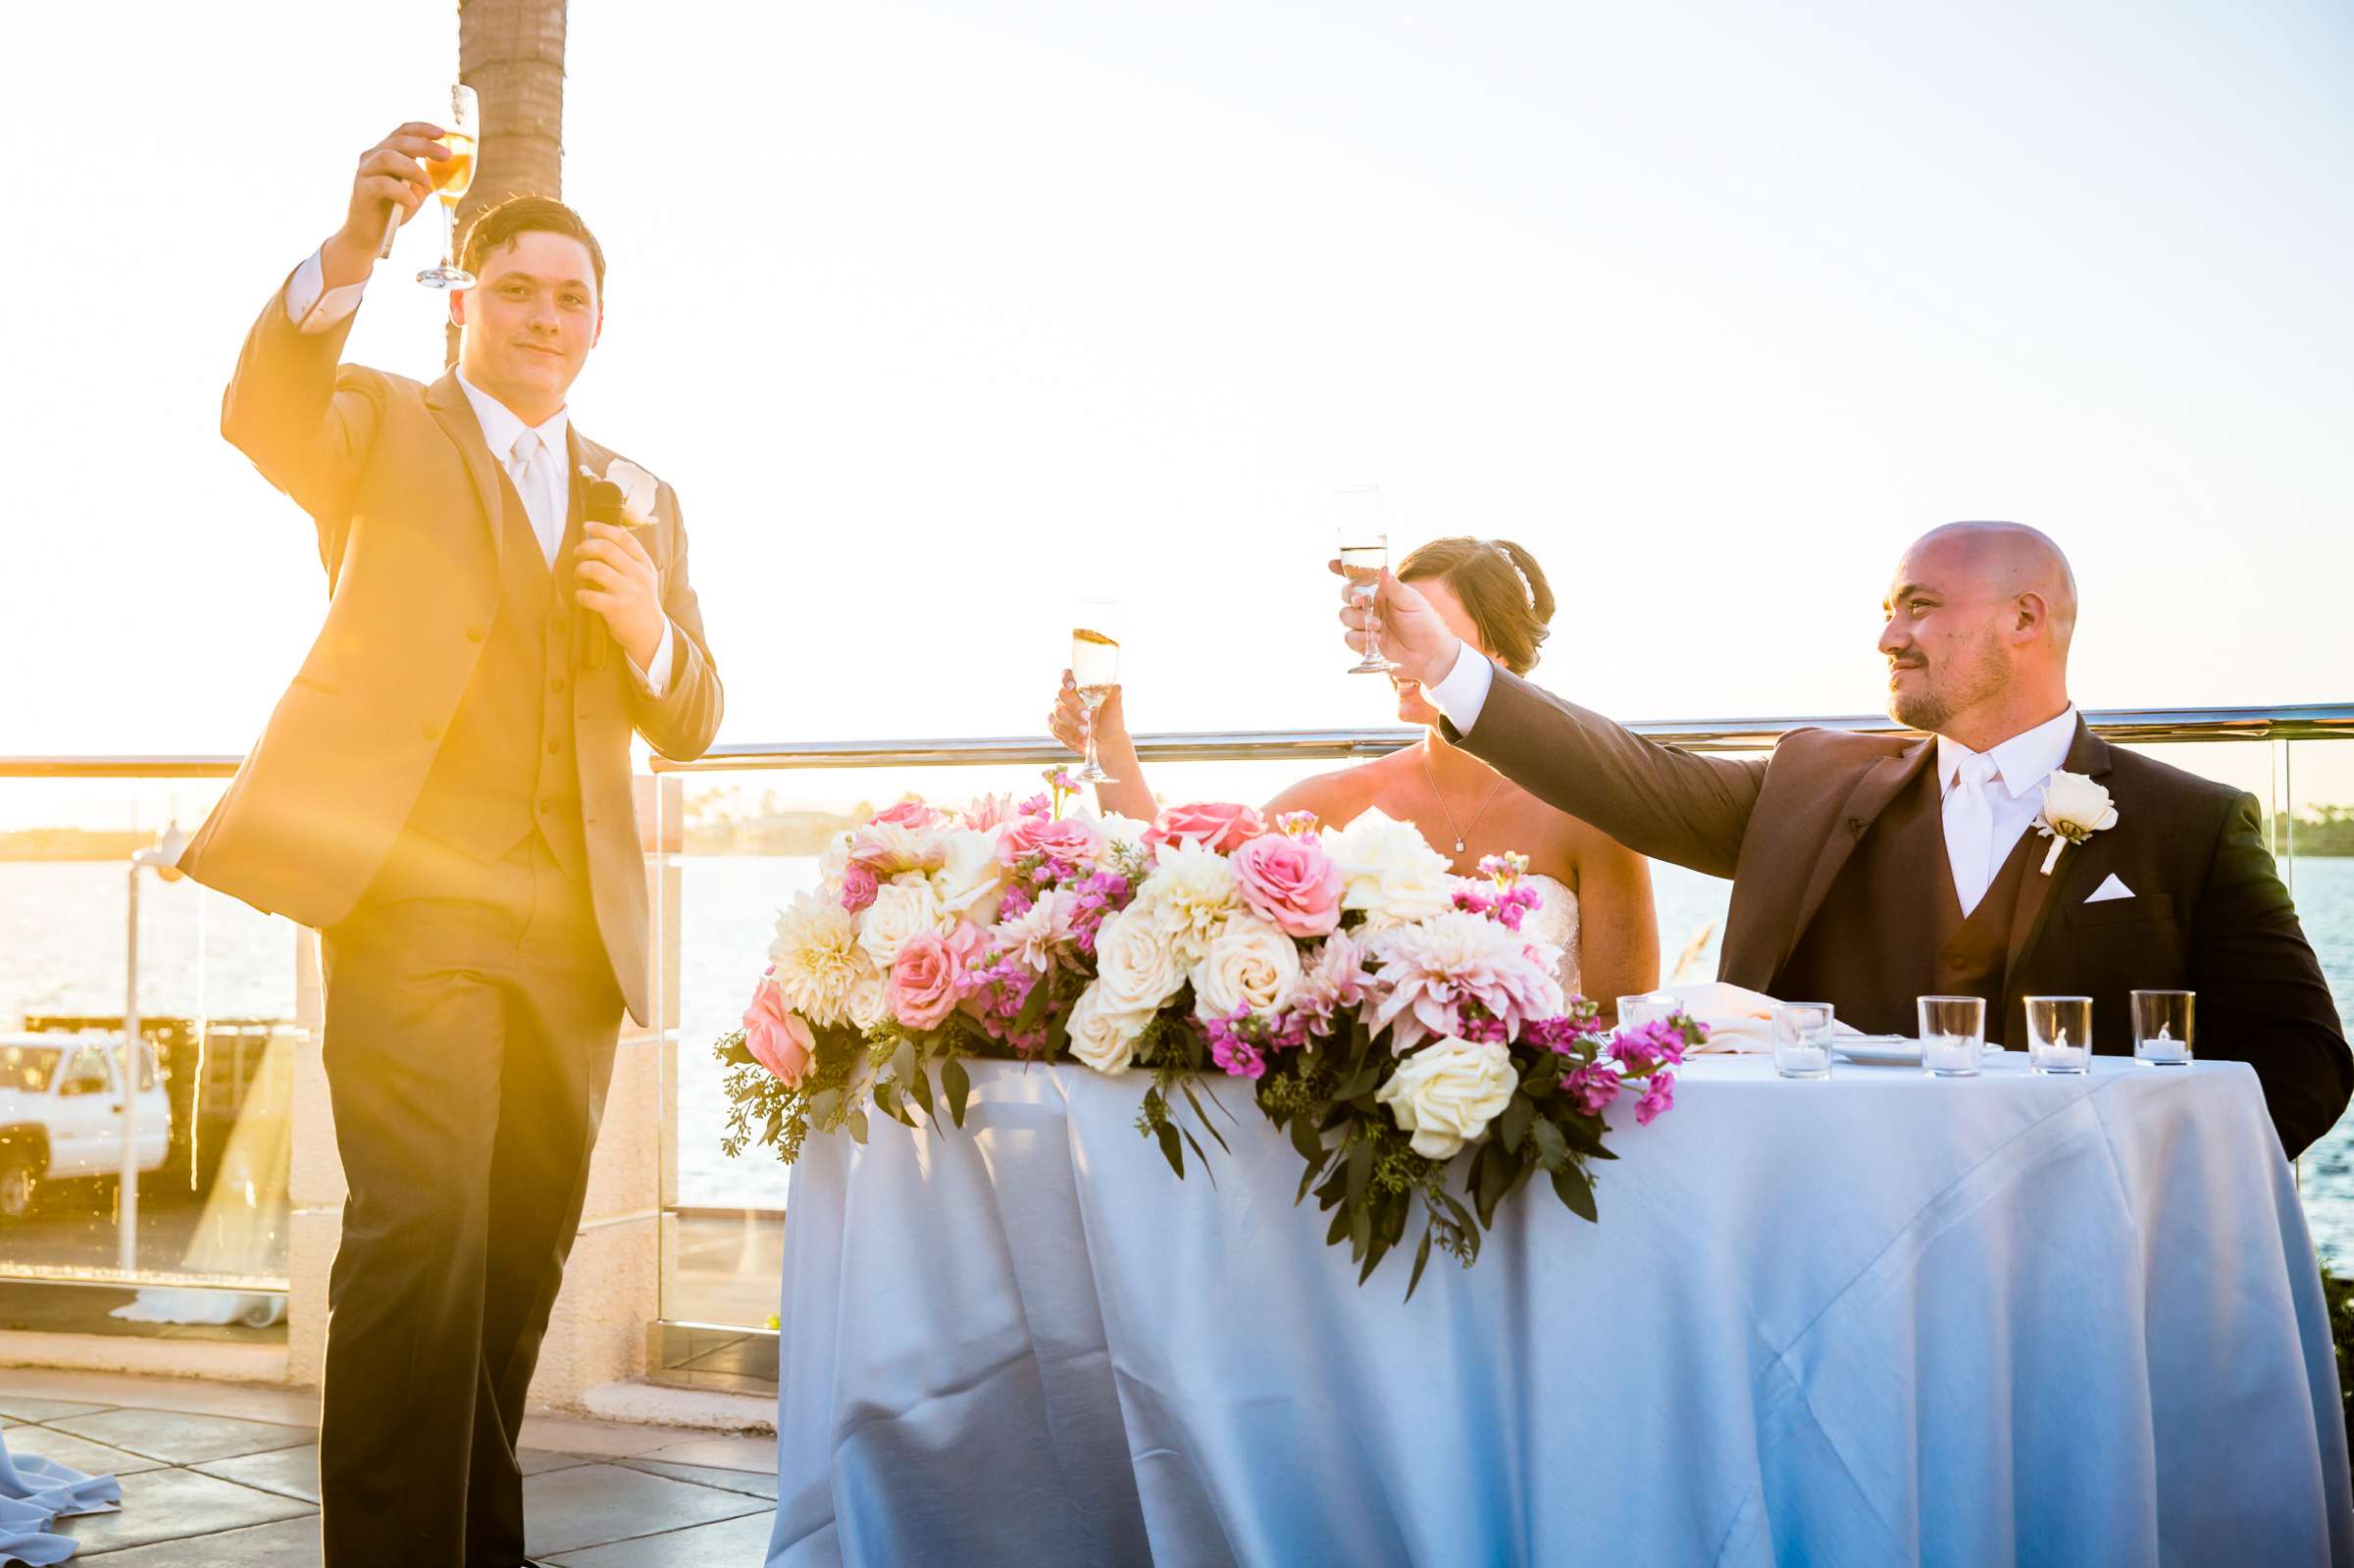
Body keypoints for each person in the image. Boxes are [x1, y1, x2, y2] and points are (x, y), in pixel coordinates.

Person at [179, 122, 723, 1567]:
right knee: (420, 1249)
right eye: (519, 289)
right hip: (412, 912)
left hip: (574, 937)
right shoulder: (377, 424)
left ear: (598, 323)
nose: (548, 317)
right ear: (460, 300)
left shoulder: (644, 493)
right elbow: (263, 405)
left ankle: (482, 1544)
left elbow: (700, 711)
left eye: (573, 298)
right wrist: (356, 235)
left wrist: (645, 626)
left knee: (513, 1267)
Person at [1343, 521, 2350, 1155]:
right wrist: (1449, 669)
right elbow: (1634, 781)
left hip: (2085, 1260)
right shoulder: (1818, 785)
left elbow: (2303, 1057)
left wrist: (2159, 1187)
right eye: (1885, 611)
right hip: (1834, 1246)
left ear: (2026, 620)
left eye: (1918, 608)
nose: (1886, 637)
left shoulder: (2192, 821)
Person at [1056, 536, 1659, 1010]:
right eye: (1390, 627)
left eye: (1425, 628)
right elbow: (1178, 881)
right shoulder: (1342, 800)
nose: (1398, 649)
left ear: (1497, 653)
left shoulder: (1591, 816)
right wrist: (1111, 747)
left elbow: (1620, 1017)